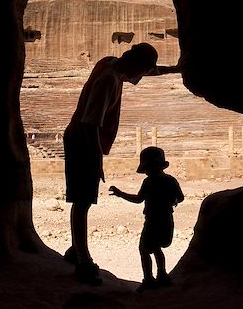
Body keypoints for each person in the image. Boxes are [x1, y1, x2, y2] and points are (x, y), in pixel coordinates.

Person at [63, 42, 165, 285]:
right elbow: (90, 123)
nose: (140, 78)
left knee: (82, 198)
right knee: (83, 199)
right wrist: (97, 159)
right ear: (135, 66)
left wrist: (173, 69)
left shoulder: (110, 62)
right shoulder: (109, 79)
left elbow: (148, 71)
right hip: (83, 139)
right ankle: (83, 259)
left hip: (80, 136)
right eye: (142, 72)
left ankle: (75, 248)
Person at [109, 146, 184, 292]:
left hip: (152, 221)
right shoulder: (171, 180)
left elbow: (138, 199)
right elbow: (180, 198)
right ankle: (162, 275)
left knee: (144, 249)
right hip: (167, 219)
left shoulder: (148, 182)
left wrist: (120, 194)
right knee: (156, 249)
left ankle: (149, 279)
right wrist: (171, 201)